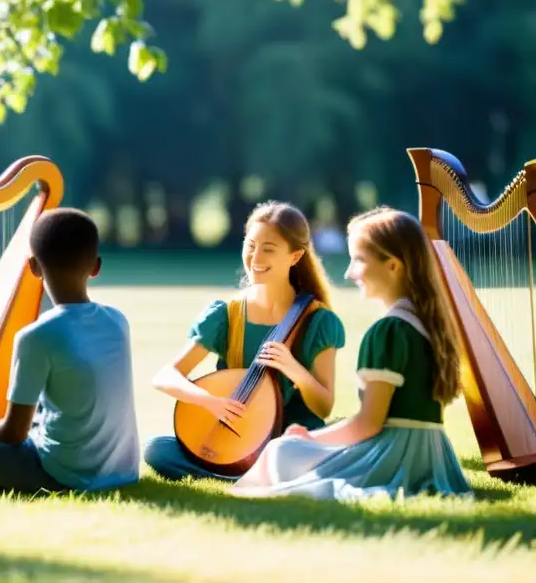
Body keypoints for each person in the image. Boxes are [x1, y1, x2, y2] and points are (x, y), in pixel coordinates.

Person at [231, 206, 473, 501]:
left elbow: (368, 424)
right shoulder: (427, 324)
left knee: (281, 450)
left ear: (393, 266)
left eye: (358, 260)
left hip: (394, 455)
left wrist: (310, 437)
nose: (349, 272)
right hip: (433, 455)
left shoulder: (389, 332)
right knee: (292, 449)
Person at [0, 208, 140, 496]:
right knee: (43, 413)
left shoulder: (36, 336)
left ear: (34, 267)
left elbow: (13, 433)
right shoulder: (118, 320)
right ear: (96, 267)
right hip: (122, 472)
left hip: (65, 476)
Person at [143, 200, 346, 481]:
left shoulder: (318, 321)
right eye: (250, 245)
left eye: (269, 249)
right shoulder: (227, 315)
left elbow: (324, 406)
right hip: (236, 441)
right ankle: (252, 476)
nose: (256, 257)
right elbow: (166, 376)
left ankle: (244, 475)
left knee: (301, 451)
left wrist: (293, 368)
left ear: (295, 256)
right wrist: (209, 401)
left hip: (290, 439)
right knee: (156, 450)